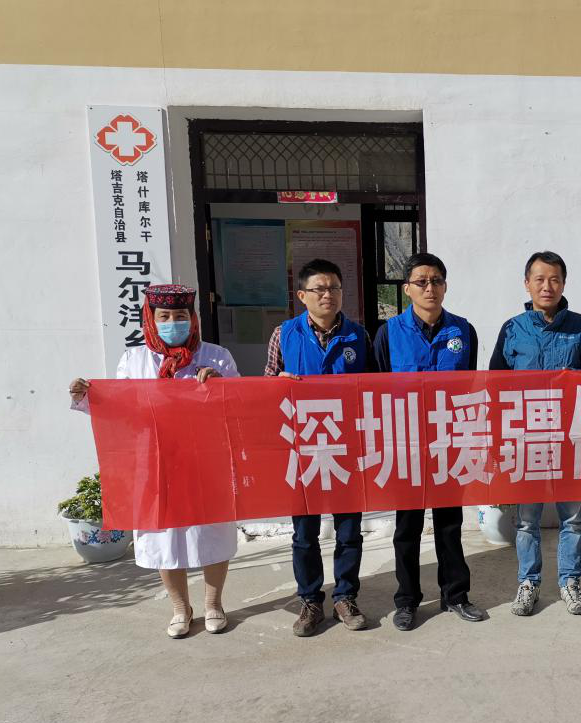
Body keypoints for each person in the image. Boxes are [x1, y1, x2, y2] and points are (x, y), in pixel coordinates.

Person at [69, 284, 238, 638]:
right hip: (156, 461)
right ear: (151, 318)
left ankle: (214, 604)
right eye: (165, 317)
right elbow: (120, 410)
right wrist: (87, 398)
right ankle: (180, 608)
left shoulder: (216, 356)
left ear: (192, 318)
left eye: (180, 316)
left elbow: (239, 405)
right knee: (163, 537)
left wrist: (220, 386)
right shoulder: (134, 360)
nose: (173, 323)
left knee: (212, 531)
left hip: (205, 459)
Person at [265, 258, 378, 636]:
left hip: (346, 447)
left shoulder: (359, 336)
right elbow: (264, 391)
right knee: (304, 533)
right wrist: (278, 384)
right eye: (319, 289)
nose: (327, 295)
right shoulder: (284, 334)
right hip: (302, 448)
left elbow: (373, 391)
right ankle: (311, 601)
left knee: (349, 530)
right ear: (302, 296)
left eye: (334, 288)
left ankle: (345, 596)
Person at [372, 253, 484, 630]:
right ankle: (407, 600)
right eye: (421, 282)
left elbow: (469, 385)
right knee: (407, 528)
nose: (429, 288)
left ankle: (456, 594)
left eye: (436, 280)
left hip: (449, 442)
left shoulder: (463, 331)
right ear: (407, 289)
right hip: (405, 444)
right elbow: (376, 392)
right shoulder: (389, 334)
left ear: (445, 286)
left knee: (449, 524)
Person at [490, 250, 581, 616]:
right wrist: (500, 439)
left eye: (554, 279)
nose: (547, 286)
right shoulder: (512, 329)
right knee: (527, 520)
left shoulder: (580, 327)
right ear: (527, 284)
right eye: (539, 279)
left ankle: (570, 583)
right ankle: (528, 583)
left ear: (563, 284)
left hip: (570, 438)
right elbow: (496, 384)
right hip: (528, 440)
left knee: (572, 518)